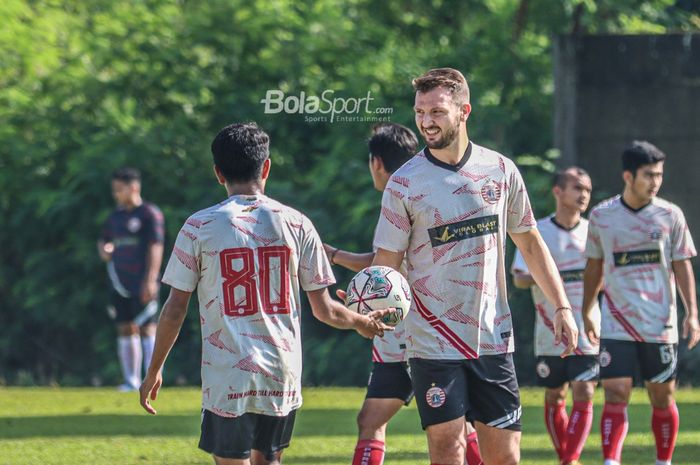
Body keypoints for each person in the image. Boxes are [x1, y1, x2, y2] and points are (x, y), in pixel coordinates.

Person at [139, 122, 394, 465]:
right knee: (269, 461)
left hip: (227, 373)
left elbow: (174, 309)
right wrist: (361, 322)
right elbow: (327, 310)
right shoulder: (297, 223)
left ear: (218, 173)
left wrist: (155, 368)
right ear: (267, 167)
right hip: (280, 371)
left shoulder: (198, 226)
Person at [371, 67, 579, 465]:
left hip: (492, 337)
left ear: (464, 111)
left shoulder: (500, 171)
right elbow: (387, 263)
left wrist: (562, 306)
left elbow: (531, 243)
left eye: (437, 112)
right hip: (431, 338)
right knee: (448, 447)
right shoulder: (404, 183)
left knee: (505, 456)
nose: (426, 121)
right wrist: (376, 312)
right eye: (420, 112)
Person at [325, 123, 483, 465]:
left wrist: (333, 255)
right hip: (421, 327)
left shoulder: (401, 194)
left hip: (413, 330)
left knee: (451, 425)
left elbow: (382, 263)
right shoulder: (432, 188)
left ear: (376, 163)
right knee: (376, 420)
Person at [581, 141, 699, 465]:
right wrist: (587, 309)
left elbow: (682, 264)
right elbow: (594, 266)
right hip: (616, 321)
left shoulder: (670, 215)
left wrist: (693, 314)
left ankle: (663, 461)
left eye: (659, 175)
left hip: (660, 323)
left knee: (662, 397)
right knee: (616, 392)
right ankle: (611, 461)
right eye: (649, 175)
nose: (656, 181)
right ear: (628, 176)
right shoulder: (602, 216)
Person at [511, 167, 599, 465]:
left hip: (588, 328)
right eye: (577, 188)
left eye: (587, 189)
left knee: (585, 390)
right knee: (555, 395)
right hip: (549, 329)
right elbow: (519, 278)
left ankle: (569, 459)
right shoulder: (539, 232)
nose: (584, 194)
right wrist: (547, 277)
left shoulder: (592, 231)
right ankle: (567, 457)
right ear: (558, 191)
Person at [98, 167, 164, 391]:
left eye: (119, 189)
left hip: (142, 280)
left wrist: (151, 279)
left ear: (133, 187)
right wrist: (104, 250)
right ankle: (131, 381)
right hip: (119, 282)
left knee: (147, 327)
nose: (115, 194)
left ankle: (152, 380)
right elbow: (104, 241)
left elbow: (156, 246)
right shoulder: (114, 216)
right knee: (125, 327)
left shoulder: (149, 214)